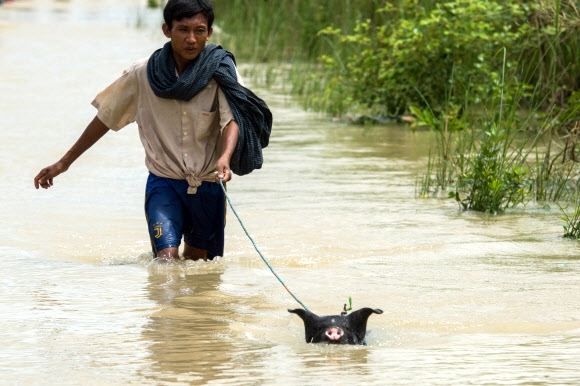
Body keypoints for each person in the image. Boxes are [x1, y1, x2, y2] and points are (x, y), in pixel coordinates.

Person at [33, 0, 272, 261]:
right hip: (163, 183)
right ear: (166, 30)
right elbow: (105, 118)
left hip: (208, 184)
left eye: (199, 30)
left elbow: (232, 120)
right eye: (183, 29)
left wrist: (224, 157)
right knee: (166, 262)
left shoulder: (222, 72)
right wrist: (64, 163)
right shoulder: (143, 74)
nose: (191, 39)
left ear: (210, 33)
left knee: (200, 269)